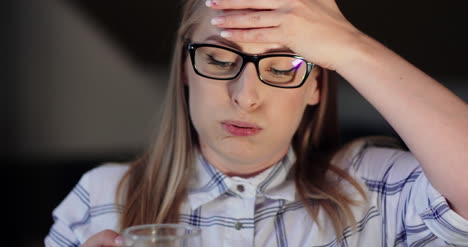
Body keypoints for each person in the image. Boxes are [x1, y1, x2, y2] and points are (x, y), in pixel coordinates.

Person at [45, 0, 468, 246]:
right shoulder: (100, 199)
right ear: (185, 70)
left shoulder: (377, 190)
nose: (245, 96)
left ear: (315, 85)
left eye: (283, 67)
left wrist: (350, 46)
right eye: (219, 60)